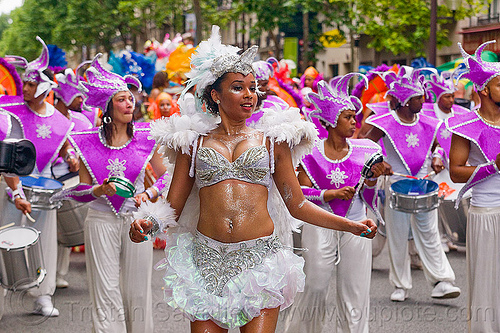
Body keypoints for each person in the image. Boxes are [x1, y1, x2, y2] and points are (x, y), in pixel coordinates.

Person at [128, 25, 376, 332]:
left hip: (260, 260)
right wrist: (147, 226)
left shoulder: (273, 141)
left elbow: (297, 205)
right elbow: (173, 207)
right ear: (215, 95)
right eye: (238, 87)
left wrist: (350, 225)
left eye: (252, 87)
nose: (249, 94)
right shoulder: (192, 143)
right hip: (205, 259)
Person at [51, 53, 168, 332]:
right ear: (107, 106)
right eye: (121, 99)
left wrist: (149, 195)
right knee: (105, 293)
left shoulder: (147, 135)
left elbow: (167, 177)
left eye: (130, 98)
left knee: (137, 293)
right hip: (100, 220)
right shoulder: (88, 142)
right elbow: (78, 192)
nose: (129, 103)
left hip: (138, 219)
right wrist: (98, 189)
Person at [283, 75, 385, 333]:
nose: (354, 122)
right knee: (315, 284)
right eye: (348, 117)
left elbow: (368, 192)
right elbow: (301, 191)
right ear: (330, 121)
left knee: (356, 288)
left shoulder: (366, 150)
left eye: (355, 117)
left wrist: (373, 180)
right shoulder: (311, 151)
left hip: (357, 220)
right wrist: (329, 194)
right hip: (320, 221)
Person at [362, 66, 461, 302]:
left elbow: (439, 146)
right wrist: (380, 161)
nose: (423, 100)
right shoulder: (383, 122)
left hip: (424, 185)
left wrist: (437, 157)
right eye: (418, 97)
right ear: (405, 101)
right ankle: (400, 285)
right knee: (397, 236)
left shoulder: (428, 122)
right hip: (395, 186)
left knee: (430, 233)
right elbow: (365, 147)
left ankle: (442, 281)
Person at [0, 36, 77, 317]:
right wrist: (17, 193)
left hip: (44, 188)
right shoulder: (8, 113)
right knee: (4, 238)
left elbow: (63, 149)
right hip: (11, 184)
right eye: (25, 82)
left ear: (45, 86)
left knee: (43, 240)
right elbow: (7, 158)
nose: (26, 87)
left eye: (32, 83)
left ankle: (43, 295)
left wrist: (70, 157)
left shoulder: (60, 121)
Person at [447, 41, 500, 332]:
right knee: (486, 284)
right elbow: (455, 172)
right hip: (486, 211)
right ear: (483, 89)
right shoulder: (465, 124)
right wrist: (493, 166)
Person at [52, 66, 94, 289]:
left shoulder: (82, 121)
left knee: (70, 227)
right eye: (77, 95)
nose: (81, 99)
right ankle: (47, 275)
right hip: (51, 180)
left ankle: (60, 273)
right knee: (53, 232)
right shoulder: (49, 119)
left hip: (76, 179)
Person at [421, 71, 470, 252]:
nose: (451, 100)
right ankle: (439, 238)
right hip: (433, 164)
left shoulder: (461, 113)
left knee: (453, 199)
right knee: (436, 201)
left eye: (452, 96)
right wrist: (436, 155)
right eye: (447, 96)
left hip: (454, 163)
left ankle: (451, 235)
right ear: (438, 97)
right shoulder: (426, 113)